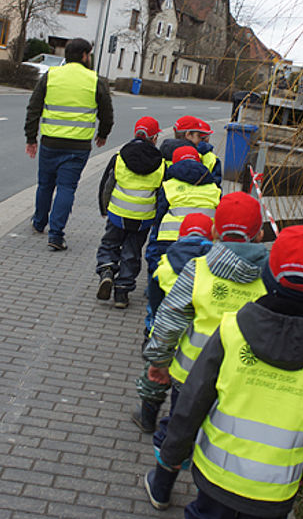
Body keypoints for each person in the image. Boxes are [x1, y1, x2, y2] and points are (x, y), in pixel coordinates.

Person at [149, 225, 303, 517]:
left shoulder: (231, 330)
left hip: (216, 475)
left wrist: (174, 452)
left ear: (268, 275)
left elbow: (194, 400)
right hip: (276, 489)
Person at [138, 191, 268, 509]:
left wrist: (158, 361)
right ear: (260, 235)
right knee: (224, 435)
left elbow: (169, 317)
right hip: (241, 379)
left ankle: (162, 486)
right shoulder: (270, 277)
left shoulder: (197, 269)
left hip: (190, 375)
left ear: (213, 232)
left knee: (179, 427)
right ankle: (210, 495)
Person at [24, 38, 114, 251]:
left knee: (45, 184)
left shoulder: (51, 76)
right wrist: (102, 134)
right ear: (84, 55)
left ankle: (39, 222)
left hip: (50, 143)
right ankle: (56, 235)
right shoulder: (95, 80)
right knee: (66, 187)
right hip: (78, 146)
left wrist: (31, 138)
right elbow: (107, 114)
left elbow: (33, 109)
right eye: (89, 54)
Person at [133, 212, 213, 430]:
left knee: (154, 376)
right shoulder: (212, 267)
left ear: (180, 235)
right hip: (196, 338)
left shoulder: (166, 263)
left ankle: (147, 417)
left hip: (166, 332)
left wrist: (151, 332)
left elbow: (155, 304)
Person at [143, 145, 221, 335]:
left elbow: (159, 213)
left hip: (169, 238)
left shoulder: (168, 185)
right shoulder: (213, 187)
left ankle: (153, 327)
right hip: (204, 240)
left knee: (162, 277)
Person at [95, 116, 165, 308]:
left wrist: (104, 208)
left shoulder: (120, 157)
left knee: (110, 244)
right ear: (154, 138)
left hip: (117, 214)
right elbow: (161, 194)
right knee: (132, 252)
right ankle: (122, 293)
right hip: (143, 218)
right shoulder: (160, 163)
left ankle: (107, 270)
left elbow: (107, 185)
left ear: (136, 133)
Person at [159, 116, 222, 186]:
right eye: (198, 136)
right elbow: (215, 186)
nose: (201, 140)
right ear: (188, 135)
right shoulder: (203, 157)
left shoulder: (161, 155)